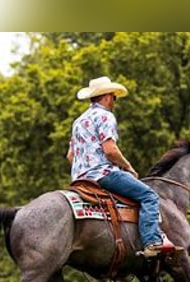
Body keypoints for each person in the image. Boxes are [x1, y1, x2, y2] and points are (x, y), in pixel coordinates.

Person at [67, 76, 175, 258]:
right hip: (104, 175)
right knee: (149, 196)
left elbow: (71, 156)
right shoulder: (105, 116)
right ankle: (152, 242)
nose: (114, 102)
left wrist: (85, 169)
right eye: (114, 97)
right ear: (108, 97)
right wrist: (128, 167)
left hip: (80, 179)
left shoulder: (78, 122)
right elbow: (110, 150)